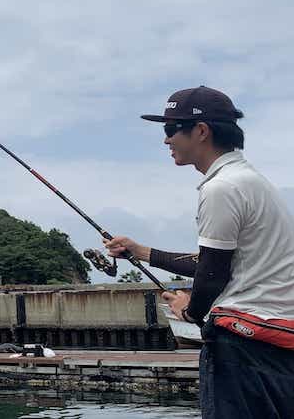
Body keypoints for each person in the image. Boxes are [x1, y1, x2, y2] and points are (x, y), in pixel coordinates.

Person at [103, 86, 294, 418]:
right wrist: (141, 251)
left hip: (241, 348)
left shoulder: (221, 188)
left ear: (201, 131)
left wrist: (188, 311)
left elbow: (212, 275)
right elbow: (217, 261)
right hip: (274, 342)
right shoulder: (252, 182)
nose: (166, 140)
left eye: (171, 129)